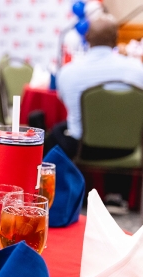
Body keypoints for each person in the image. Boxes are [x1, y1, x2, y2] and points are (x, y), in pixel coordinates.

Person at [45, 14, 143, 214]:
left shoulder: (69, 72)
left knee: (57, 132)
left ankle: (65, 195)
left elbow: (65, 102)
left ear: (87, 37)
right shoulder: (138, 70)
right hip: (129, 148)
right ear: (116, 39)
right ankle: (117, 196)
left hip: (83, 148)